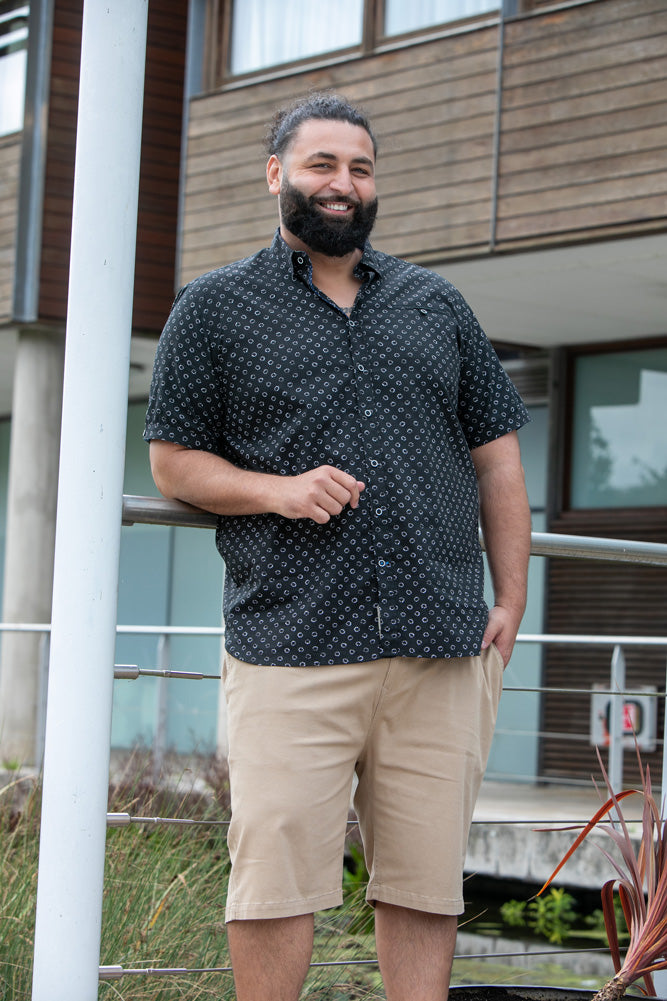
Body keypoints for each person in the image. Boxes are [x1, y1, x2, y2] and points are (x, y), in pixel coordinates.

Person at [145, 92, 531, 1001]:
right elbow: (171, 461)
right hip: (291, 641)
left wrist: (511, 600)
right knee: (274, 879)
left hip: (440, 643)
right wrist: (276, 489)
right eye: (321, 164)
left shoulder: (436, 304)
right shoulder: (213, 308)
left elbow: (497, 459)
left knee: (426, 881)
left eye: (359, 168)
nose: (341, 183)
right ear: (276, 173)